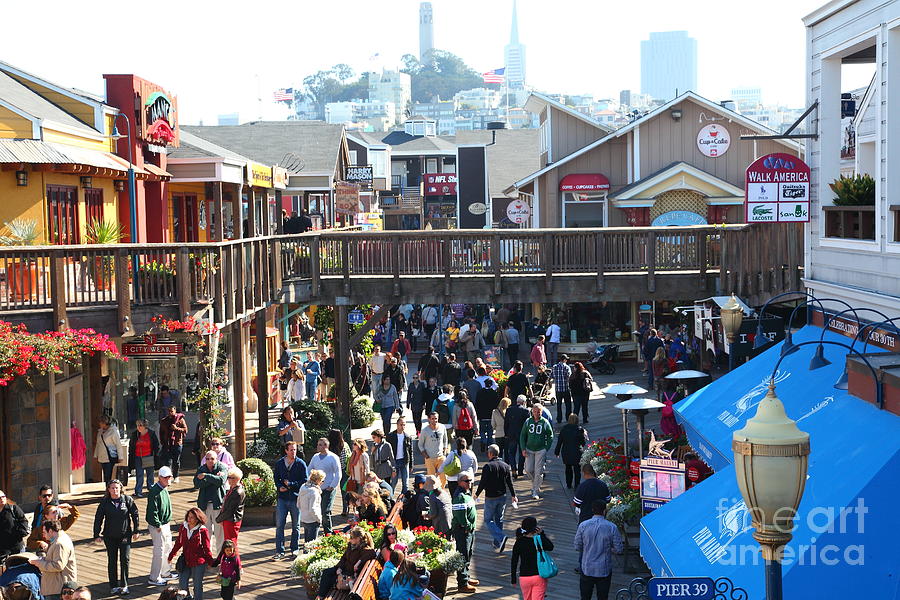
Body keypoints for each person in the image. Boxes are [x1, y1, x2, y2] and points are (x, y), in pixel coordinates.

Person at [92, 479, 139, 596]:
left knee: (125, 560)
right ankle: (113, 585)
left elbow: (135, 514)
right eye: (112, 488)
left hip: (125, 536)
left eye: (117, 488)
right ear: (108, 490)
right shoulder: (104, 502)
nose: (115, 490)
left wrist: (136, 530)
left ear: (120, 489)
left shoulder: (127, 500)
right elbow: (98, 518)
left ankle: (124, 585)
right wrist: (96, 534)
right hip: (110, 536)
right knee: (112, 561)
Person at [575, 500, 623, 600]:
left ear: (592, 510)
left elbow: (577, 546)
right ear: (605, 511)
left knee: (585, 597)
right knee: (602, 597)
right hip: (604, 569)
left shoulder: (583, 525)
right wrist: (608, 548)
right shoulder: (612, 527)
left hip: (587, 567)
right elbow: (619, 549)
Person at [474, 444, 517, 554]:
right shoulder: (506, 466)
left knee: (488, 520)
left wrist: (476, 494)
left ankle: (501, 537)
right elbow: (510, 483)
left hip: (491, 497)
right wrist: (514, 495)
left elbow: (482, 483)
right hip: (502, 497)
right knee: (499, 519)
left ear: (490, 454)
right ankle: (497, 542)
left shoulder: (488, 467)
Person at [315, 527, 376, 600]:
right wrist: (339, 567)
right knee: (326, 572)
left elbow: (372, 553)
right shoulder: (351, 545)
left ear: (358, 539)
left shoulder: (363, 548)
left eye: (351, 537)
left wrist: (359, 561)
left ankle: (321, 596)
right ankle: (320, 596)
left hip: (349, 573)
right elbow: (344, 557)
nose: (350, 539)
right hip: (343, 568)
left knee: (329, 580)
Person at [168, 508, 214, 600]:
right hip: (186, 560)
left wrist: (210, 562)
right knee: (182, 583)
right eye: (188, 517)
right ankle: (188, 598)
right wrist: (171, 555)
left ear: (197, 519)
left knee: (197, 585)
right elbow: (179, 542)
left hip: (198, 562)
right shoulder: (183, 527)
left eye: (192, 517)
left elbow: (206, 548)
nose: (189, 519)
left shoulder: (202, 530)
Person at [273, 441, 307, 558]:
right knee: (280, 525)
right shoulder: (280, 463)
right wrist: (279, 486)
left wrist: (291, 484)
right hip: (282, 498)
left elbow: (305, 480)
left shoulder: (300, 463)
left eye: (295, 450)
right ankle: (279, 551)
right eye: (291, 450)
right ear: (286, 451)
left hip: (295, 498)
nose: (293, 452)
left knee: (296, 526)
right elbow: (276, 477)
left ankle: (294, 549)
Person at [29, 520, 77, 600]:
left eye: (44, 532)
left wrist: (39, 563)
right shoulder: (61, 538)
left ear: (50, 531)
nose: (43, 535)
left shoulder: (59, 544)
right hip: (58, 585)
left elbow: (58, 566)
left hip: (58, 588)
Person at [511, 516, 554, 600]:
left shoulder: (519, 542)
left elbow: (514, 561)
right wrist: (542, 534)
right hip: (539, 576)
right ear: (535, 528)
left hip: (524, 577)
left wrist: (513, 579)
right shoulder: (538, 540)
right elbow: (550, 547)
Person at [146, 466, 176, 586]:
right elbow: (152, 510)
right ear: (159, 478)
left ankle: (165, 572)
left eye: (169, 477)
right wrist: (157, 524)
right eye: (165, 477)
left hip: (165, 523)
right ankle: (154, 577)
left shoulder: (164, 488)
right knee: (159, 551)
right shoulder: (154, 491)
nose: (168, 479)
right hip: (158, 526)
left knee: (168, 547)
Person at [194, 451, 228, 557]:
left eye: (212, 459)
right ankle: (208, 558)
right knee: (206, 534)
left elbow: (221, 481)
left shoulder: (222, 467)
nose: (210, 461)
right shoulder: (201, 468)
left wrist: (206, 476)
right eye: (207, 459)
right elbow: (196, 484)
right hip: (204, 505)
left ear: (216, 459)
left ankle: (220, 557)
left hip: (217, 505)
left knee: (219, 534)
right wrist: (213, 478)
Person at [450, 471, 479, 593]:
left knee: (468, 553)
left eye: (470, 481)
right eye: (467, 481)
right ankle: (462, 583)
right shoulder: (459, 496)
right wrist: (468, 525)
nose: (470, 483)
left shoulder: (466, 493)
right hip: (463, 531)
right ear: (459, 482)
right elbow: (460, 515)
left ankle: (466, 577)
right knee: (463, 556)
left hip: (469, 530)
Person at [307, 438, 341, 534]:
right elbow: (309, 469)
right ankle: (317, 531)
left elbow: (338, 473)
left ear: (326, 446)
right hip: (317, 488)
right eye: (318, 444)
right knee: (317, 509)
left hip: (328, 488)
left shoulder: (333, 457)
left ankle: (328, 532)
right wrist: (308, 481)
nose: (318, 446)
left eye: (320, 445)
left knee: (325, 511)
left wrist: (332, 486)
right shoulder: (315, 457)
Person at [520, 402, 553, 500]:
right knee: (528, 469)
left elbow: (550, 435)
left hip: (540, 449)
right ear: (532, 412)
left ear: (541, 412)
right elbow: (522, 435)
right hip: (529, 449)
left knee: (538, 471)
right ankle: (536, 483)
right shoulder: (528, 421)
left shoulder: (545, 422)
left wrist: (546, 448)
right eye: (534, 411)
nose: (536, 413)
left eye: (538, 412)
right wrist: (523, 448)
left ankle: (535, 490)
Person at [128, 419, 160, 498]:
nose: (138, 427)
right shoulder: (135, 434)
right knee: (139, 475)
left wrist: (156, 454)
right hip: (138, 457)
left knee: (150, 474)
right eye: (137, 425)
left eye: (140, 425)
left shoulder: (151, 433)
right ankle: (138, 491)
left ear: (145, 426)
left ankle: (151, 489)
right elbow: (132, 446)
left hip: (148, 456)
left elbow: (156, 445)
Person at [555, 414, 589, 489]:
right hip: (577, 451)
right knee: (577, 469)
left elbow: (559, 442)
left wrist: (556, 452)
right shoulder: (580, 429)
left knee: (568, 468)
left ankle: (569, 484)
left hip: (566, 452)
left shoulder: (564, 429)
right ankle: (577, 485)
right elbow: (583, 443)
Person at [418, 412, 449, 487]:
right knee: (431, 479)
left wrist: (445, 450)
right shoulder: (425, 430)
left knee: (444, 477)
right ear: (429, 419)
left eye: (436, 419)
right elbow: (420, 444)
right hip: (430, 458)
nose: (434, 420)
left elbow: (445, 440)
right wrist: (425, 455)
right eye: (432, 419)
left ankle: (441, 491)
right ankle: (432, 494)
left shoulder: (442, 427)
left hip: (441, 457)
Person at [217, 467, 245, 548]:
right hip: (228, 519)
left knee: (231, 543)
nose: (228, 479)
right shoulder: (232, 489)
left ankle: (234, 560)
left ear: (236, 479)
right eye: (228, 477)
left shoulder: (238, 492)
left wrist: (219, 519)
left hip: (232, 520)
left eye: (230, 477)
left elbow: (230, 510)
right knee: (228, 542)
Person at [159, 406, 188, 483]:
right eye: (169, 411)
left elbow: (185, 430)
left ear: (175, 411)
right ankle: (169, 476)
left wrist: (176, 428)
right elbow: (161, 432)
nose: (170, 413)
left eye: (172, 411)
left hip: (177, 443)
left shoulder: (180, 420)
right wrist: (162, 442)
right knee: (167, 461)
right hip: (167, 443)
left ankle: (176, 476)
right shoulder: (164, 421)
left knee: (176, 461)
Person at [0, 490, 29, 562]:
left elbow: (24, 521)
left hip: (16, 547)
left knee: (19, 569)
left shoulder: (13, 508)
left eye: (3, 496)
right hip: (3, 549)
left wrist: (18, 534)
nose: (1, 499)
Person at [327, 429, 351, 516]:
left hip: (332, 471)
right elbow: (347, 457)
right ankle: (345, 509)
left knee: (330, 489)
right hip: (344, 470)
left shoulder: (329, 447)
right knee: (344, 490)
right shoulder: (344, 445)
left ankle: (328, 509)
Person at [386, 417, 413, 494]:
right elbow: (387, 450)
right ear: (397, 425)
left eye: (404, 425)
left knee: (406, 483)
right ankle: (390, 498)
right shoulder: (391, 436)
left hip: (404, 462)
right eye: (401, 424)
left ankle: (404, 500)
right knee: (394, 482)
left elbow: (411, 451)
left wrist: (411, 465)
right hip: (394, 462)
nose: (402, 426)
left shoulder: (407, 437)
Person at [504, 396, 529, 477]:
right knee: (522, 453)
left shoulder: (509, 410)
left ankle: (513, 469)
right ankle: (520, 470)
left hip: (511, 434)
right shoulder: (526, 411)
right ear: (524, 402)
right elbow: (527, 425)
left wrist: (506, 433)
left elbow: (506, 423)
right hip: (522, 435)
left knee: (511, 453)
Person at [94, 415, 123, 484]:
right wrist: (95, 455)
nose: (99, 424)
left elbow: (118, 445)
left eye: (100, 422)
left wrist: (120, 457)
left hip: (110, 456)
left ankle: (109, 490)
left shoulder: (113, 432)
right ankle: (108, 490)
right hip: (102, 456)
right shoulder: (100, 431)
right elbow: (98, 444)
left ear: (104, 423)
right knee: (106, 475)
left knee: (108, 475)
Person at [297, 469, 324, 542]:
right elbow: (313, 508)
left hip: (304, 519)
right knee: (312, 544)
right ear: (318, 480)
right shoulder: (314, 492)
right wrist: (319, 519)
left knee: (307, 542)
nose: (322, 482)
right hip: (312, 520)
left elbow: (298, 503)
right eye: (322, 480)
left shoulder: (303, 487)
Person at [474, 378, 500, 452]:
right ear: (491, 384)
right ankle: (489, 445)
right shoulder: (494, 393)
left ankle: (483, 442)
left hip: (482, 415)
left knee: (482, 431)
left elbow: (477, 404)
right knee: (490, 432)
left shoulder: (480, 392)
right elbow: (497, 405)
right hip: (491, 415)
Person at [551, 355, 573, 423]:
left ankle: (559, 419)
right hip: (566, 388)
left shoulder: (554, 367)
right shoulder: (567, 367)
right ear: (564, 360)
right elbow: (570, 377)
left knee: (559, 405)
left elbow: (552, 376)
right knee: (568, 405)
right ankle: (568, 418)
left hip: (558, 389)